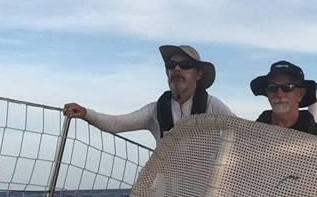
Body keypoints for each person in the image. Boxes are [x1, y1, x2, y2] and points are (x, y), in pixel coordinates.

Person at [63, 45, 233, 141]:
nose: (177, 69)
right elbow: (117, 123)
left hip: (206, 194)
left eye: (186, 65)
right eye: (171, 65)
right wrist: (86, 113)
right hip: (168, 192)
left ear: (199, 74)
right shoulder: (155, 111)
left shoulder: (213, 106)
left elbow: (243, 134)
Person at [250, 60, 317, 139]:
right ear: (267, 94)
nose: (279, 94)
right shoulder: (251, 134)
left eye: (287, 87)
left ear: (300, 94)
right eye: (272, 87)